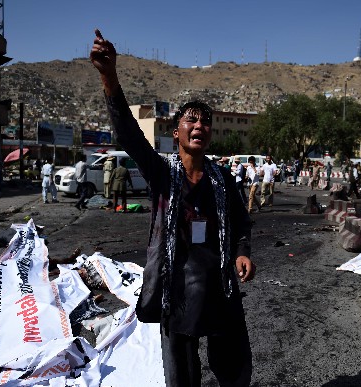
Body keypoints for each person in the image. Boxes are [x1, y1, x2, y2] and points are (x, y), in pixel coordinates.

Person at [90, 29, 255, 386]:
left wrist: (242, 252)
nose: (199, 125)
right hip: (177, 288)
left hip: (220, 284)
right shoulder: (163, 173)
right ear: (177, 132)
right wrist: (109, 76)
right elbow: (129, 136)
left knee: (234, 366)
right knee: (182, 372)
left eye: (205, 121)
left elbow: (242, 222)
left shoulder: (223, 178)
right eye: (190, 120)